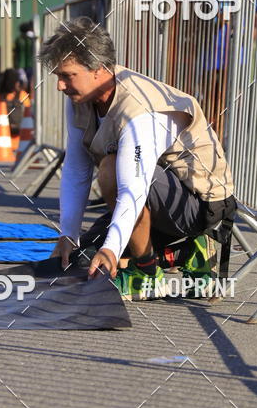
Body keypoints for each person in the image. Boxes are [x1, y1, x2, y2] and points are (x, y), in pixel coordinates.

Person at [38, 17, 236, 301]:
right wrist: (69, 234)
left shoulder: (140, 112)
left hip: (200, 205)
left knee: (110, 171)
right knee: (83, 260)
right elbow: (76, 167)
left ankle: (147, 270)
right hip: (155, 199)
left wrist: (113, 249)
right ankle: (190, 251)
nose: (59, 86)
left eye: (67, 76)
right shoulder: (81, 100)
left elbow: (133, 188)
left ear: (98, 70)